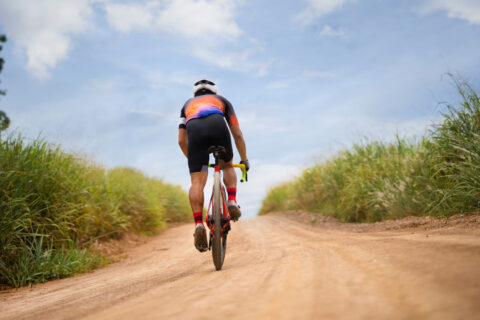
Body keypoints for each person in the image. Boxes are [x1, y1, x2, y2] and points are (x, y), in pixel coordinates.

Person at [178, 79, 250, 252]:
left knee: (197, 182)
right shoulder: (223, 101)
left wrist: (196, 160)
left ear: (195, 94)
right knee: (227, 166)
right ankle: (231, 200)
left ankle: (198, 224)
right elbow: (237, 134)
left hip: (194, 130)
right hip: (218, 125)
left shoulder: (187, 105)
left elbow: (181, 140)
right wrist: (244, 159)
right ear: (214, 92)